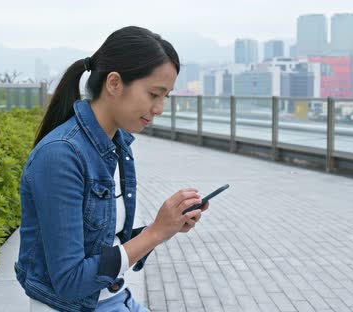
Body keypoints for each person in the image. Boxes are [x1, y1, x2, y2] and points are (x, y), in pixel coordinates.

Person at [14, 26, 208, 312]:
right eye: (155, 94)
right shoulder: (60, 155)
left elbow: (105, 242)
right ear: (114, 83)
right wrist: (154, 232)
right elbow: (69, 280)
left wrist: (167, 226)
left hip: (116, 299)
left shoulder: (117, 146)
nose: (160, 108)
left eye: (165, 96)